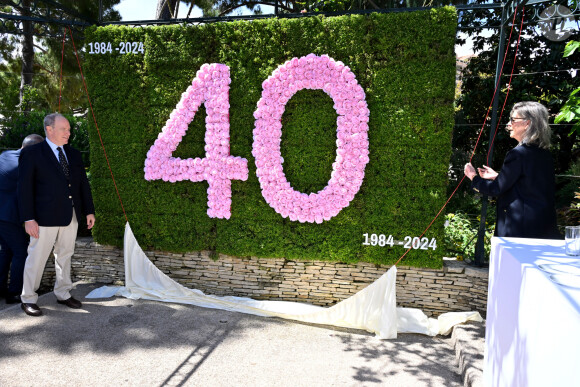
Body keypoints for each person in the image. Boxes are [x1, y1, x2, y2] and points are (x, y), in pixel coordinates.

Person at [18, 113, 95, 317]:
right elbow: (24, 188)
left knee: (65, 255)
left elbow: (82, 185)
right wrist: (28, 218)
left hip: (70, 215)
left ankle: (63, 292)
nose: (69, 133)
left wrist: (89, 210)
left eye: (69, 129)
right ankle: (28, 298)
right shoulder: (33, 153)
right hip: (42, 218)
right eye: (64, 129)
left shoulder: (74, 154)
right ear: (49, 129)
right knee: (37, 258)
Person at [464, 101, 560, 239]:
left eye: (513, 120)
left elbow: (496, 189)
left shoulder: (517, 154)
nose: (508, 124)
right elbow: (529, 185)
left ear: (528, 123)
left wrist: (473, 177)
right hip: (543, 226)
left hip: (519, 229)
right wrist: (499, 176)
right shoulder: (545, 153)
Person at [0, 134, 45, 304]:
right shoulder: (27, 165)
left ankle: (1, 287)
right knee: (21, 252)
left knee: (6, 250)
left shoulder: (5, 155)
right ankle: (15, 292)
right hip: (8, 215)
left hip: (3, 214)